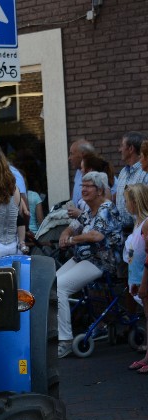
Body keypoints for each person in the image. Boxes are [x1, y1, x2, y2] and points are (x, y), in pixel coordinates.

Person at [56, 171, 123, 358]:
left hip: (102, 260)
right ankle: (57, 333)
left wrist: (71, 240)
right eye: (82, 185)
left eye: (88, 186)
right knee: (52, 283)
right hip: (83, 257)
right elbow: (75, 224)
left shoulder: (106, 208)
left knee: (60, 287)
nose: (83, 189)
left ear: (100, 190)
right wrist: (65, 233)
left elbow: (96, 235)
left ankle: (66, 340)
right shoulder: (88, 208)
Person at [123, 184, 148, 372]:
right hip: (137, 278)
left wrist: (142, 282)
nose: (125, 204)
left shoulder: (146, 223)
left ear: (135, 201)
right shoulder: (137, 223)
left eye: (126, 201)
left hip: (143, 279)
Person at [114, 131, 148, 234]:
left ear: (131, 149)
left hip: (140, 232)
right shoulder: (123, 172)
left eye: (122, 146)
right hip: (122, 233)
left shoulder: (145, 173)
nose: (119, 149)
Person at [68, 138, 95, 206]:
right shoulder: (78, 171)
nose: (69, 158)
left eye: (71, 154)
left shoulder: (99, 174)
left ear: (82, 155)